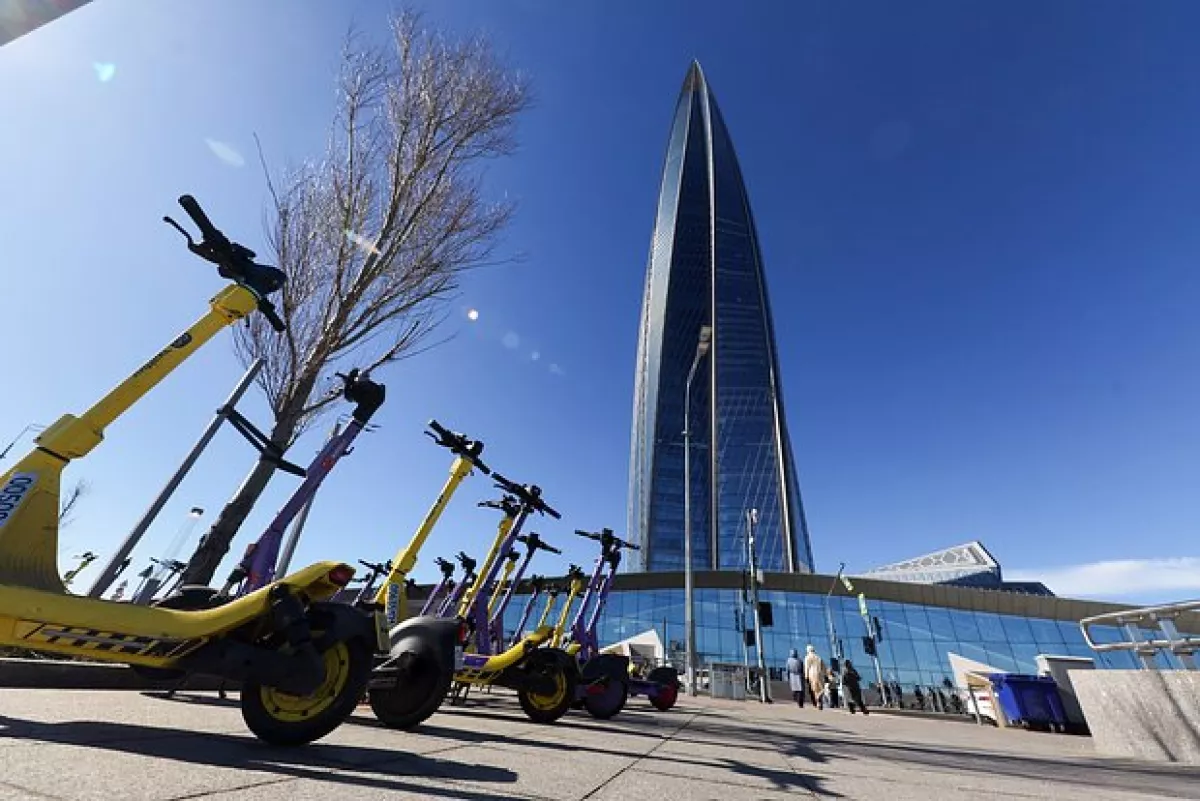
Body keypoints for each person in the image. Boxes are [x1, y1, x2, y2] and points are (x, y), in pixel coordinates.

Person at [803, 644, 826, 709]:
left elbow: (806, 667)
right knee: (821, 688)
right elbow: (824, 667)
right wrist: (825, 674)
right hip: (819, 674)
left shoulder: (807, 657)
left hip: (812, 674)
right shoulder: (818, 657)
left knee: (815, 689)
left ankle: (818, 702)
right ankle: (820, 701)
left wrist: (806, 676)